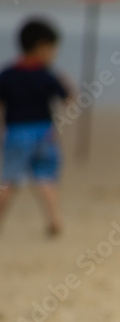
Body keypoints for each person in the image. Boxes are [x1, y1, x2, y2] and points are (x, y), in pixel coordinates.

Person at [0, 17, 73, 236]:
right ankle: (54, 220)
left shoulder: (7, 75)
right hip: (44, 132)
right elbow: (69, 97)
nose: (53, 54)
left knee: (9, 180)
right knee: (46, 177)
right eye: (52, 49)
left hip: (16, 132)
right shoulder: (47, 75)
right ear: (42, 46)